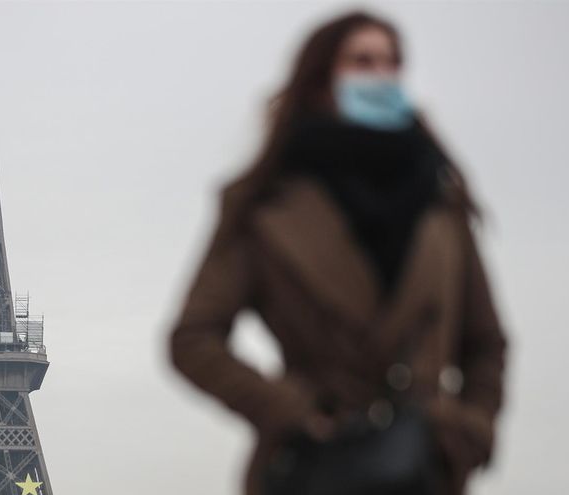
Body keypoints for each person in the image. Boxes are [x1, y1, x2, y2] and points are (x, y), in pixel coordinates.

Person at [166, 10, 509, 495]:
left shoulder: (440, 204)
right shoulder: (266, 206)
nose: (380, 75)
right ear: (320, 79)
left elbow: (485, 343)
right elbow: (194, 338)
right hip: (315, 468)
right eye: (362, 61)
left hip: (422, 467)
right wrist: (295, 413)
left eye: (391, 62)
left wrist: (466, 432)